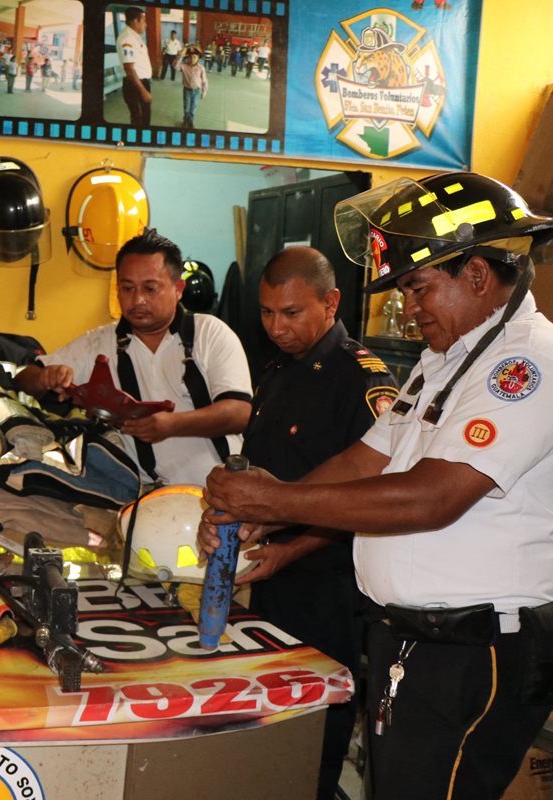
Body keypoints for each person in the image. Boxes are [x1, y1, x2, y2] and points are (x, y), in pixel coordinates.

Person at [201, 173, 553, 799]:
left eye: (418, 288)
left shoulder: (526, 364)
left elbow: (432, 497)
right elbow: (367, 460)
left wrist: (273, 499)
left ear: (475, 274)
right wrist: (265, 513)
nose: (408, 308)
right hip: (412, 640)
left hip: (473, 653)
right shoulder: (444, 360)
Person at [240, 247, 399, 800]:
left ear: (331, 302)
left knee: (318, 725)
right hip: (269, 577)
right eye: (266, 313)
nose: (276, 328)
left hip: (328, 585)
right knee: (270, 717)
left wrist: (290, 550)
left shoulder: (363, 380)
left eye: (291, 313)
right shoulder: (277, 373)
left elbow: (365, 500)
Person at [17, 230, 252, 486]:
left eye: (151, 288)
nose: (138, 299)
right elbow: (23, 378)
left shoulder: (209, 332)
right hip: (146, 495)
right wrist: (45, 377)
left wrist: (172, 425)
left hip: (221, 490)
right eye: (127, 288)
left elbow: (239, 412)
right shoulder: (98, 343)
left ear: (178, 289)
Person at [116, 6, 153, 127]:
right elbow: (129, 69)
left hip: (141, 83)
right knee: (139, 120)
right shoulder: (127, 39)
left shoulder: (135, 37)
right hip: (135, 86)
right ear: (135, 21)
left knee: (145, 117)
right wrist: (143, 91)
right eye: (144, 21)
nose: (146, 25)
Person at [176, 46, 208, 129]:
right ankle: (185, 120)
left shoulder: (201, 68)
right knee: (186, 107)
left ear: (198, 58)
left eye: (194, 57)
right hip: (187, 90)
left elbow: (204, 81)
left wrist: (204, 91)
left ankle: (190, 121)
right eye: (190, 57)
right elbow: (175, 66)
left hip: (197, 91)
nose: (192, 59)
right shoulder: (184, 66)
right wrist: (181, 56)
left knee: (193, 107)